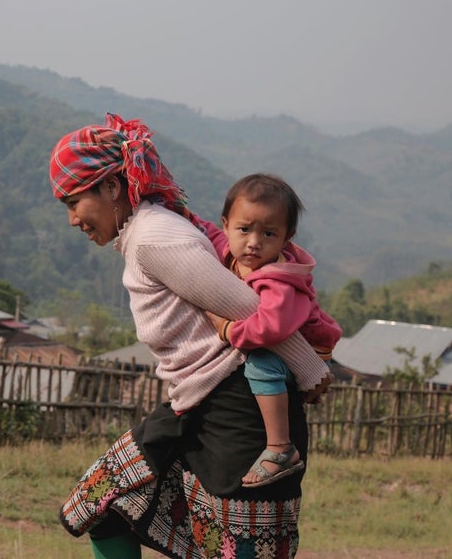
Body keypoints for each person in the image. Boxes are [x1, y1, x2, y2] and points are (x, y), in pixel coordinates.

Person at [50, 113, 332, 558]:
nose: (71, 219)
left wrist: (311, 369)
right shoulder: (146, 233)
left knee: (239, 548)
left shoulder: (154, 238)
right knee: (105, 503)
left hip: (242, 413)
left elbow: (247, 308)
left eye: (72, 202)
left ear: (110, 187)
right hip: (197, 404)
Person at [217, 173, 342, 488]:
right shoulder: (233, 252)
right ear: (226, 225)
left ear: (287, 239)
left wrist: (229, 330)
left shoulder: (278, 280)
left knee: (261, 365)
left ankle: (280, 448)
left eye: (269, 233)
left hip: (309, 355)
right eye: (244, 229)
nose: (254, 242)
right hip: (286, 347)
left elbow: (269, 330)